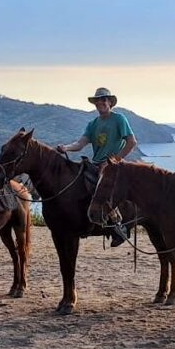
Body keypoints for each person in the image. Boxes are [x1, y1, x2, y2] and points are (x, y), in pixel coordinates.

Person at [56, 87, 137, 246]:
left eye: (103, 100)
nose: (100, 102)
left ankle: (118, 226)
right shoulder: (93, 124)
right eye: (98, 100)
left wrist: (115, 160)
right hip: (96, 162)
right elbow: (80, 144)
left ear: (110, 102)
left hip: (113, 165)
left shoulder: (119, 119)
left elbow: (131, 142)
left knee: (102, 188)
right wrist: (66, 148)